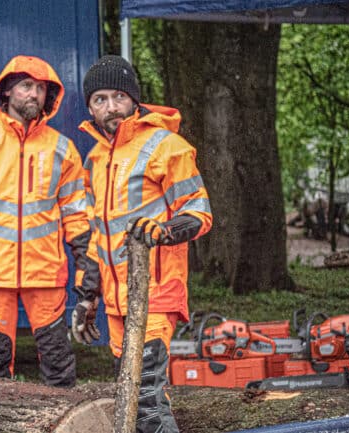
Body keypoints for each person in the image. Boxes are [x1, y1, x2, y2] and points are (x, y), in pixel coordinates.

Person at [0, 55, 101, 388]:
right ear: (7, 92)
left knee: (58, 364)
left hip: (45, 274)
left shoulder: (63, 149)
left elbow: (79, 221)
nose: (34, 95)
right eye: (26, 86)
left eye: (41, 89)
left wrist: (88, 278)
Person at [78, 55, 213, 433]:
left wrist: (162, 231)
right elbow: (96, 237)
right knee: (132, 401)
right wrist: (88, 296)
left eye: (118, 97)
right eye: (100, 99)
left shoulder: (167, 146)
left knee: (147, 401)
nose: (110, 107)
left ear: (134, 99)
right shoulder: (95, 159)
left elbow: (200, 213)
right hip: (117, 302)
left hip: (156, 293)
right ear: (89, 106)